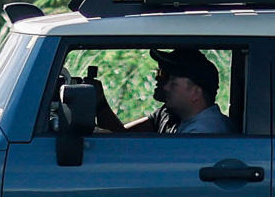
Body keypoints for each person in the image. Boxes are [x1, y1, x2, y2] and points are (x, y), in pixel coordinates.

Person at [92, 47, 233, 136]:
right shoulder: (171, 115)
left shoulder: (204, 134)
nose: (163, 85)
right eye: (160, 73)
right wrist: (98, 102)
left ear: (195, 92)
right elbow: (121, 137)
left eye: (171, 79)